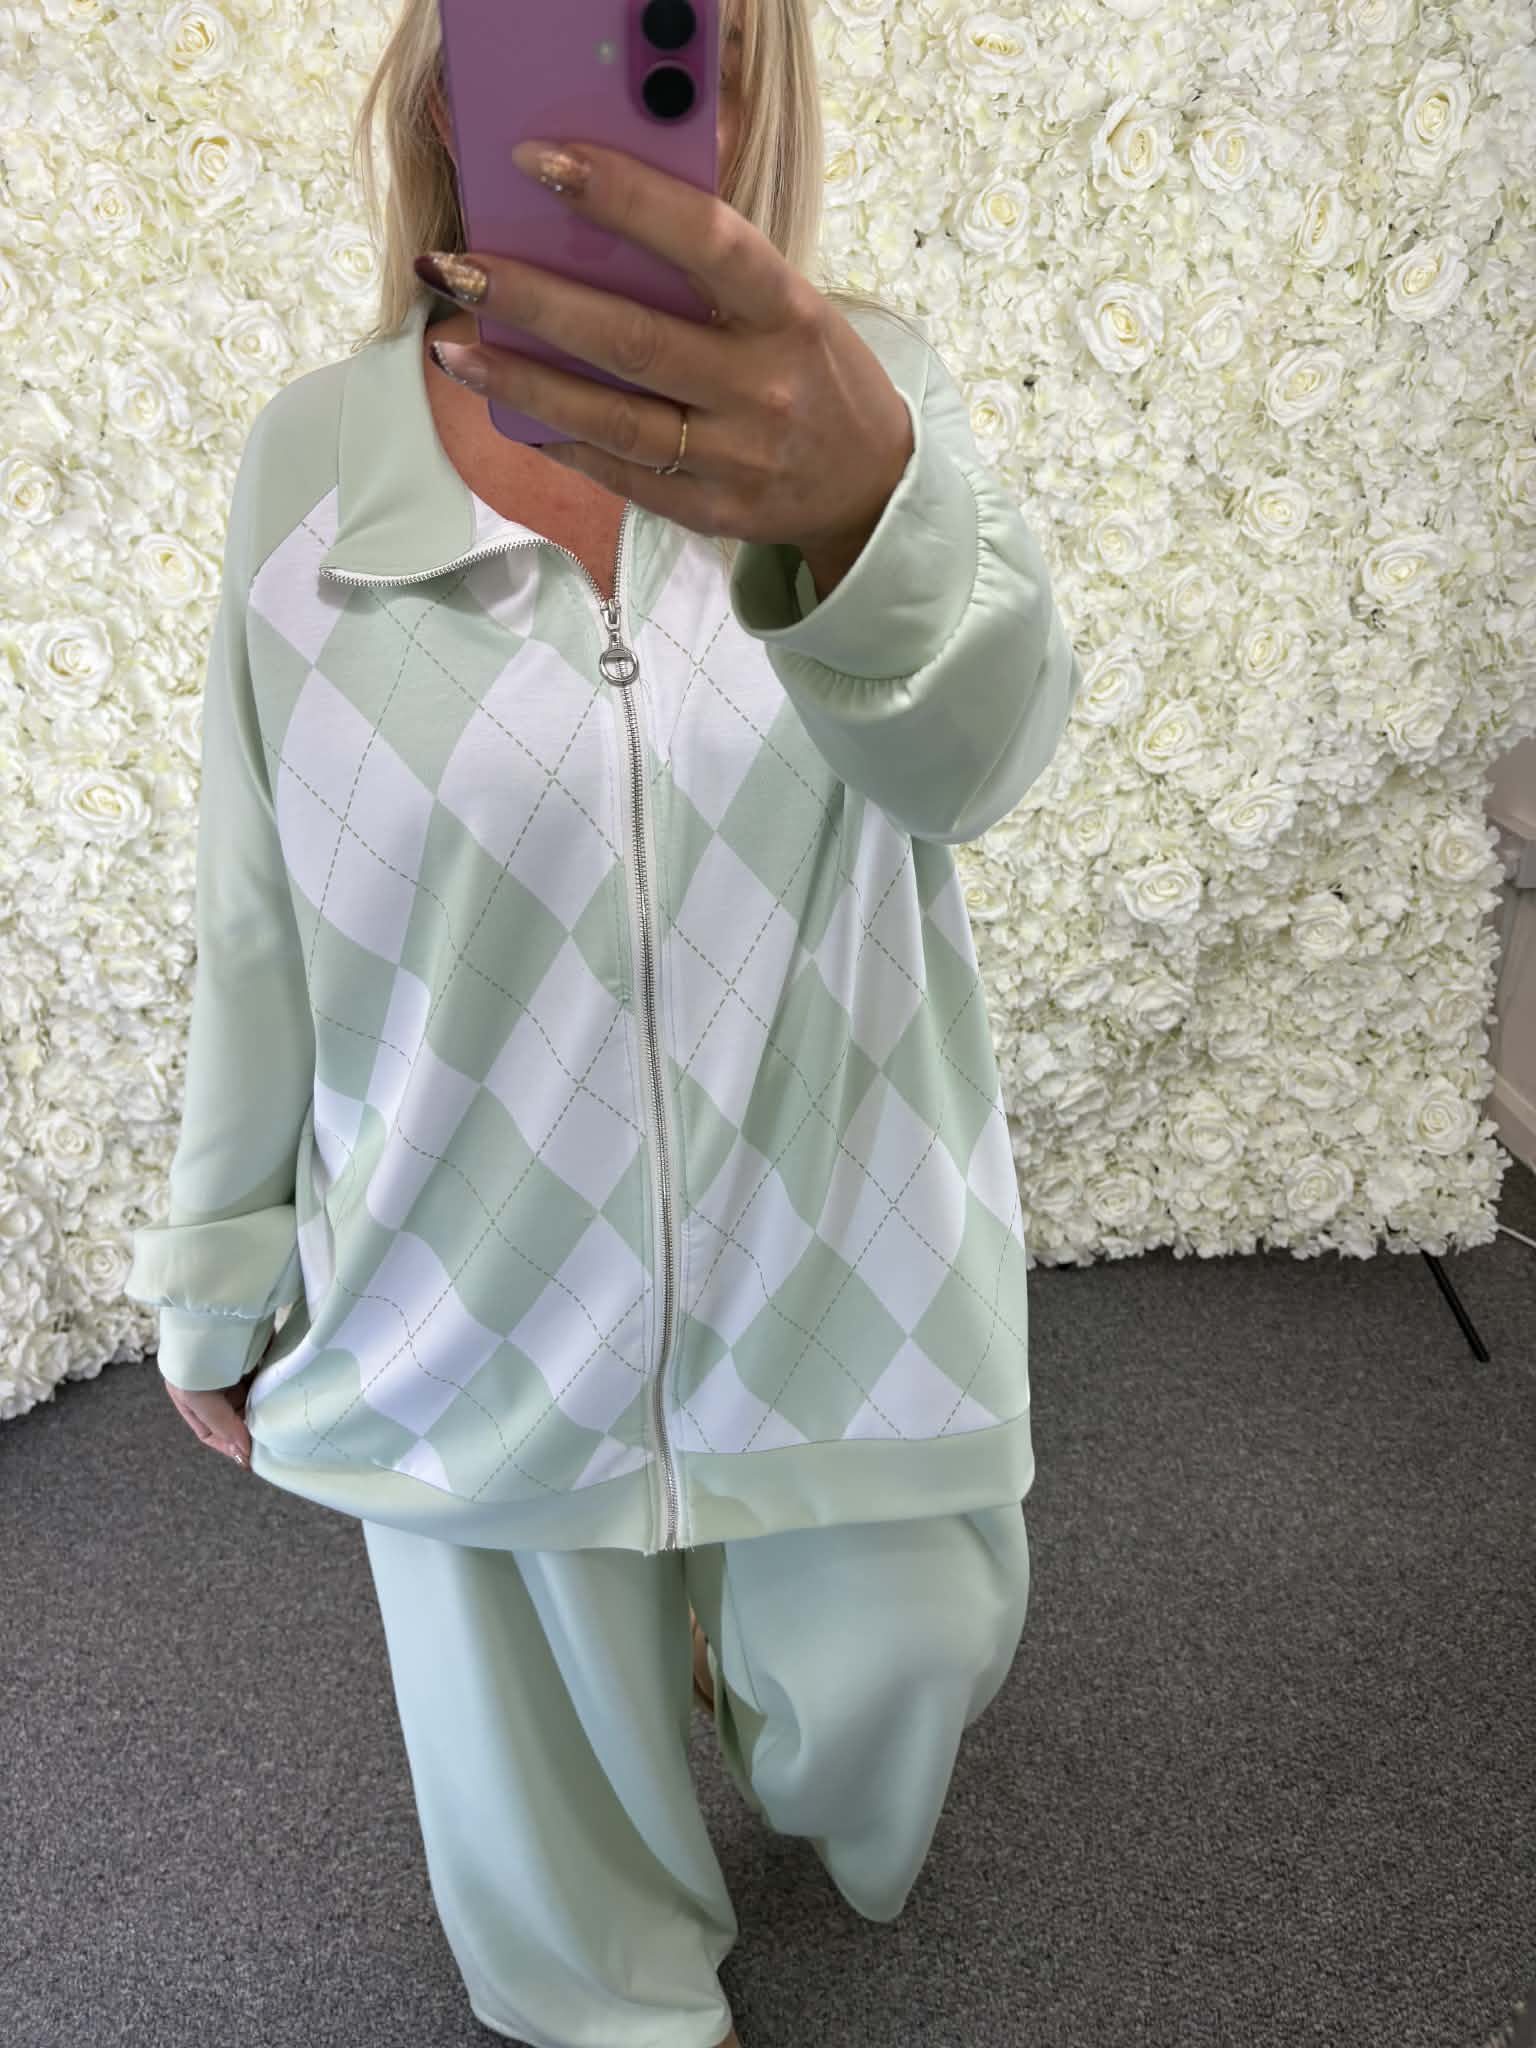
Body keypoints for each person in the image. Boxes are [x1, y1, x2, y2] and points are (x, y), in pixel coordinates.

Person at [125, 1, 1083, 2042]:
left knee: (902, 1658)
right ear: (447, 67)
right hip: (464, 1272)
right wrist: (216, 1258)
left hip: (841, 1246)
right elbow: (256, 903)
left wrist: (869, 511)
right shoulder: (314, 462)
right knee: (564, 1874)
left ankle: (773, 1705)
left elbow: (980, 765)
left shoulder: (863, 405)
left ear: (748, 71)